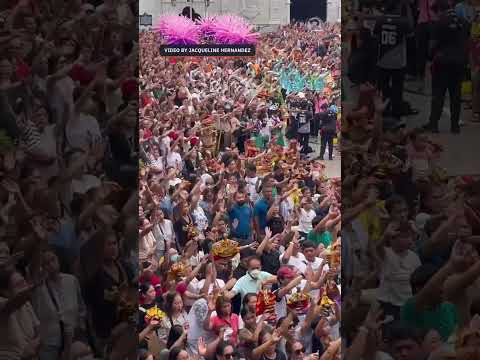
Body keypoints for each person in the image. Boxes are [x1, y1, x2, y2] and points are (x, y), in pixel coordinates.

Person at [422, 0, 470, 133]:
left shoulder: (438, 22)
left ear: (439, 10)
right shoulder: (464, 22)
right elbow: (467, 43)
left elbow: (432, 44)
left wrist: (430, 57)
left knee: (438, 93)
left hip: (442, 62)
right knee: (456, 95)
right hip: (459, 62)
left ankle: (434, 124)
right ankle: (455, 126)